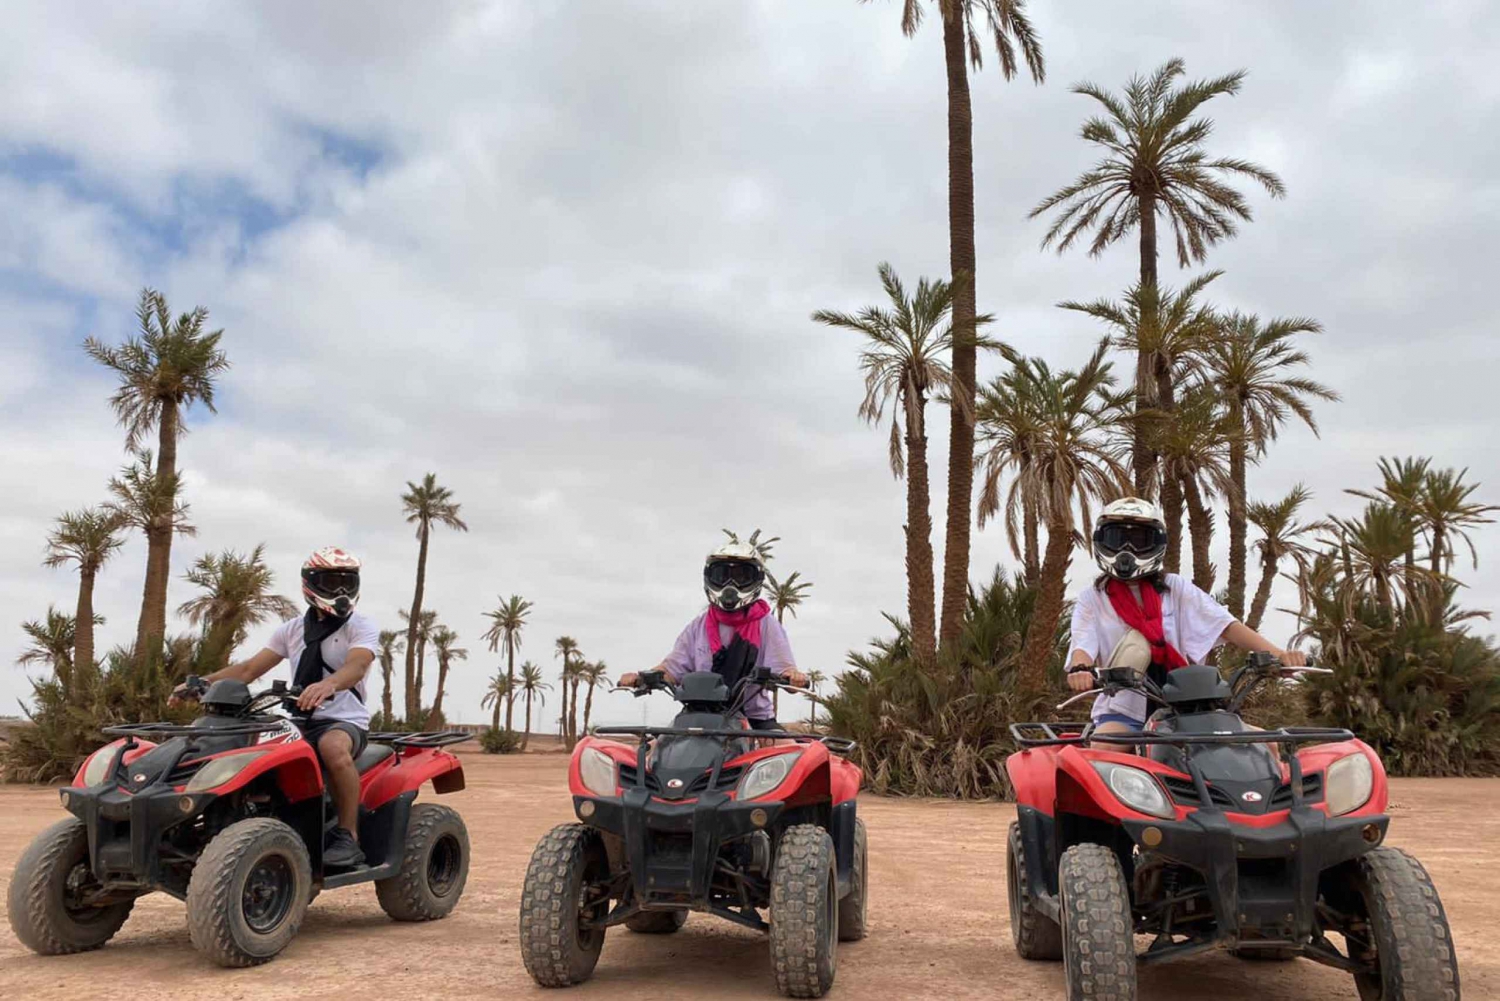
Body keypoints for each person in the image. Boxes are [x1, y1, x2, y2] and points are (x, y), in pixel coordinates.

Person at [172, 547, 378, 867]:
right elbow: (247, 671)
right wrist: (199, 683)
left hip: (343, 720)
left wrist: (329, 684)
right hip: (297, 718)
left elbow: (358, 665)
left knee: (333, 748)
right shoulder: (292, 630)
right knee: (250, 748)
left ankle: (347, 835)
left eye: (346, 582)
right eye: (330, 581)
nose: (340, 591)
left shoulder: (360, 627)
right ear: (310, 584)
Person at [1066, 498, 1307, 739]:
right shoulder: (1093, 598)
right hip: (1124, 706)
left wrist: (1280, 656)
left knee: (1267, 744)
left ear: (1157, 543)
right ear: (1101, 541)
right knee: (1105, 748)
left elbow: (1225, 624)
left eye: (1139, 540)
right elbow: (1082, 643)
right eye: (1118, 540)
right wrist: (1081, 669)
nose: (1127, 550)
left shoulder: (1174, 588)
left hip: (1186, 702)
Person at [618, 541, 808, 730]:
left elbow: (785, 671)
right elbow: (671, 669)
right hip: (697, 718)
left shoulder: (766, 624)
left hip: (754, 720)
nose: (730, 585)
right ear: (710, 577)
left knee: (793, 756)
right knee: (652, 755)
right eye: (722, 575)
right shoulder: (697, 626)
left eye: (741, 577)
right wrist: (642, 677)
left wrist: (793, 676)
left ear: (756, 579)